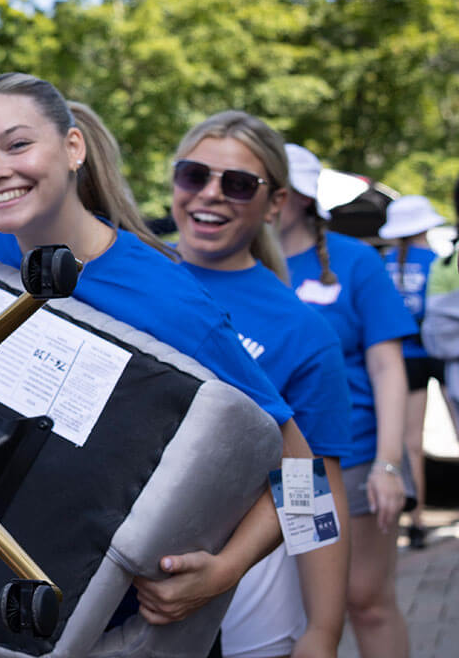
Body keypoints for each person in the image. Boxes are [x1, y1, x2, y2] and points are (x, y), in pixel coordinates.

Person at [0, 74, 310, 657]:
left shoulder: (170, 303)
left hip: (116, 630)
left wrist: (227, 570)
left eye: (16, 145)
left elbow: (302, 466)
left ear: (74, 149)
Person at [170, 111, 353, 658]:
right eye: (193, 174)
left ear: (275, 203)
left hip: (242, 595)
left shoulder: (301, 330)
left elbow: (310, 484)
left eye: (239, 184)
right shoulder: (132, 272)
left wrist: (322, 629)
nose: (210, 194)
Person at [277, 143, 416, 658]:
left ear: (303, 198)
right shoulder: (234, 262)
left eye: (281, 187)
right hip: (286, 470)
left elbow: (386, 366)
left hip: (352, 459)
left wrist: (389, 463)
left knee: (365, 598)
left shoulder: (356, 261)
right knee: (303, 609)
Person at [379, 195, 447, 549]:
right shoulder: (439, 261)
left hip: (404, 358)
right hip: (444, 353)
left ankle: (416, 519)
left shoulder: (384, 264)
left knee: (411, 443)